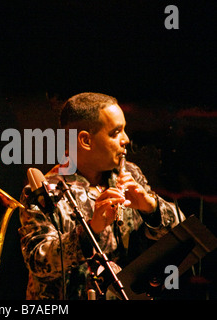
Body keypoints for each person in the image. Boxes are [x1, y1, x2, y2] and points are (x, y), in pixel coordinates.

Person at [19, 92, 185, 300]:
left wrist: (151, 208)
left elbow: (183, 233)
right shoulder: (45, 191)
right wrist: (92, 229)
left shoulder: (130, 175)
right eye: (116, 133)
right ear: (86, 140)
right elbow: (38, 261)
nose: (126, 139)